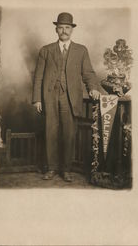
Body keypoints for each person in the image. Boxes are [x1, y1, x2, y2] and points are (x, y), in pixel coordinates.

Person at [32, 12, 100, 182]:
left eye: (67, 27)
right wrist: (37, 99)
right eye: (61, 27)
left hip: (70, 97)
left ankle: (66, 169)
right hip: (49, 97)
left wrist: (93, 88)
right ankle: (52, 168)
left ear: (72, 30)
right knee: (51, 132)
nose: (64, 30)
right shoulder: (46, 50)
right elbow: (38, 76)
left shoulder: (81, 50)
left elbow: (88, 73)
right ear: (56, 29)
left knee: (69, 134)